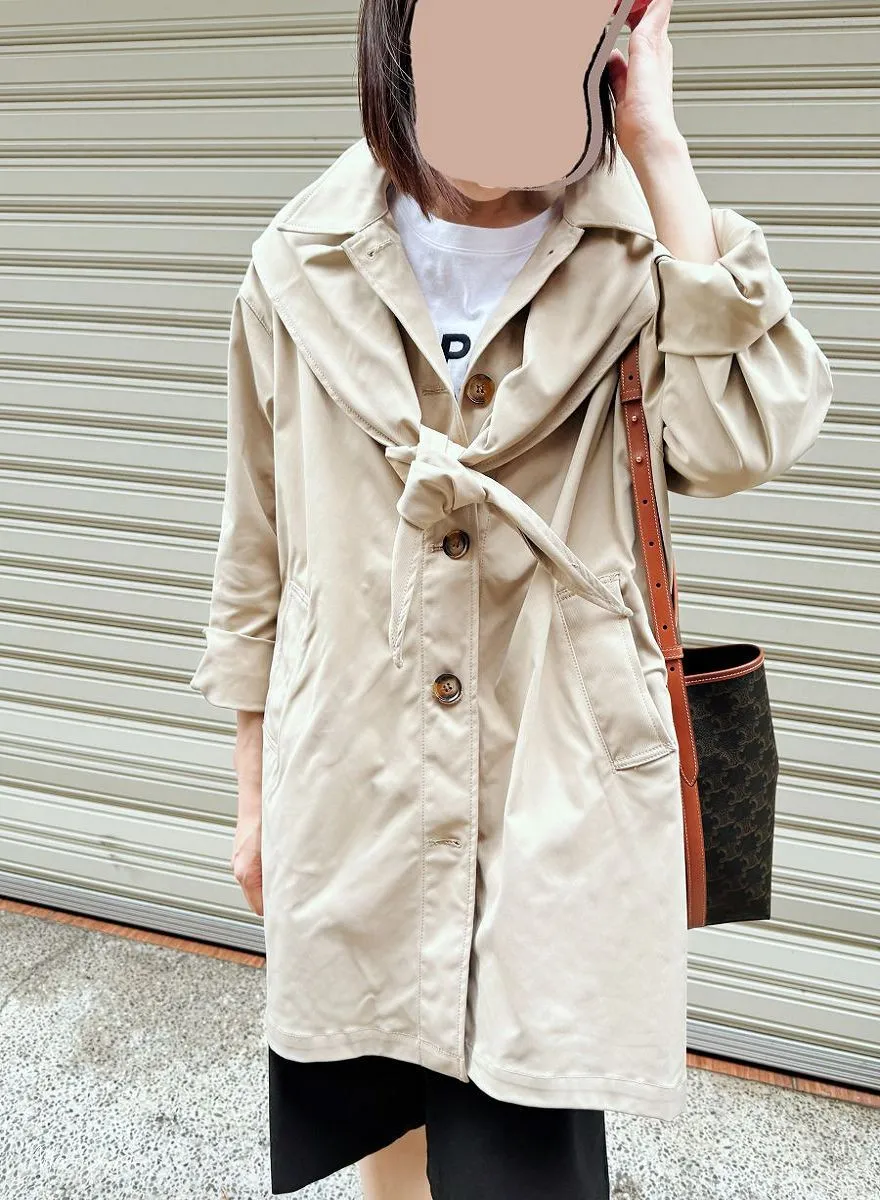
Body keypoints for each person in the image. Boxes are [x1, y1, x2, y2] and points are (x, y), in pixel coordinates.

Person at [187, 1, 834, 1196]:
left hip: (554, 772)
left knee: (526, 1149)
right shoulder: (296, 259)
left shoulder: (640, 252)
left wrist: (660, 147)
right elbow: (255, 549)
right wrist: (252, 791)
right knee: (378, 1113)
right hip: (355, 767)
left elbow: (736, 441)